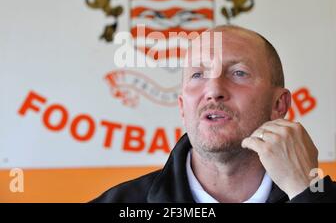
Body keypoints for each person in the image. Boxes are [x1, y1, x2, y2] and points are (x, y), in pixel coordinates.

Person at [92, 25, 336, 203]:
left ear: (279, 105)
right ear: (182, 107)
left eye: (239, 73)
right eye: (198, 74)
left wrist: (308, 194)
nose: (213, 90)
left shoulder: (318, 194)